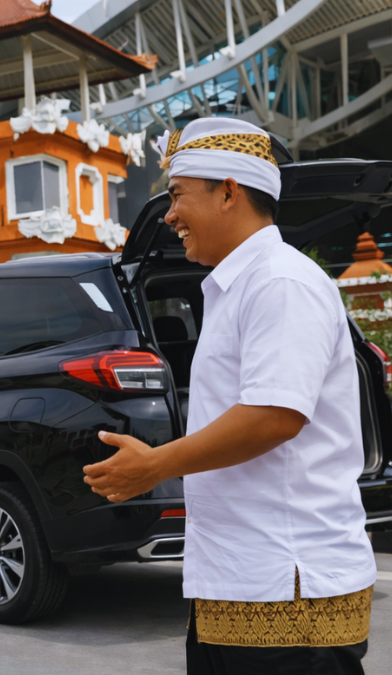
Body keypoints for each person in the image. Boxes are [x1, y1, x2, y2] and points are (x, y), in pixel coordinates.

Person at [82, 117, 376, 675]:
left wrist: (154, 466)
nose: (169, 215)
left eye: (176, 194)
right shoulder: (233, 285)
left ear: (228, 192)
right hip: (240, 579)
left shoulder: (280, 281)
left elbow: (274, 416)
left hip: (290, 586)